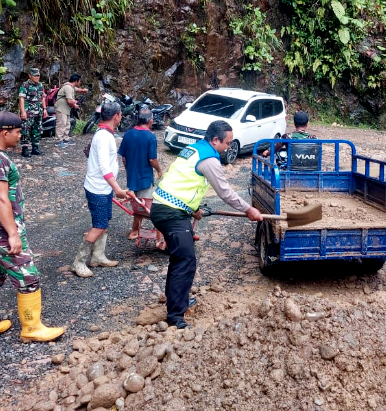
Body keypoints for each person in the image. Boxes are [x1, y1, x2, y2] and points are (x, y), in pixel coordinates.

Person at [151, 120, 264, 329]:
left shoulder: (193, 149)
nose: (229, 147)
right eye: (227, 143)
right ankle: (175, 316)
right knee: (185, 260)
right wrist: (249, 209)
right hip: (170, 212)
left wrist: (193, 209)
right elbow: (225, 192)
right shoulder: (209, 159)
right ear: (215, 140)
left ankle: (177, 302)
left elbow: (181, 181)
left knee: (181, 259)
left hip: (166, 207)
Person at [0, 111, 64, 342]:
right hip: (2, 231)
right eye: (17, 132)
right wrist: (13, 234)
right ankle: (31, 328)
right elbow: (0, 199)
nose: (20, 136)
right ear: (5, 133)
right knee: (28, 276)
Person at [72, 102, 130, 277]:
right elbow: (105, 167)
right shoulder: (104, 137)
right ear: (116, 116)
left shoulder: (103, 133)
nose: (121, 117)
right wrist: (118, 189)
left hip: (102, 188)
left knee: (104, 222)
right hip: (98, 188)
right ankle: (79, 262)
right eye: (120, 114)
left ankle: (98, 256)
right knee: (99, 225)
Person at [118, 105, 163, 240]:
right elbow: (152, 159)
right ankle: (135, 231)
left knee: (138, 204)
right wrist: (159, 170)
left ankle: (136, 229)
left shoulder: (128, 134)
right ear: (150, 120)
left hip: (132, 176)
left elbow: (124, 157)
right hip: (144, 177)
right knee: (144, 205)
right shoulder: (150, 137)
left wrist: (128, 171)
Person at [18, 67, 47, 157]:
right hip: (28, 112)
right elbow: (21, 98)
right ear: (30, 76)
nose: (37, 77)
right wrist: (23, 112)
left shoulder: (40, 85)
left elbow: (42, 97)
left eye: (38, 75)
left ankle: (35, 148)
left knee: (37, 130)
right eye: (35, 75)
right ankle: (25, 149)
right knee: (25, 130)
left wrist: (44, 109)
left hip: (38, 112)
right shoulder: (25, 85)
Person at [54, 74, 88, 149]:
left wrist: (83, 90)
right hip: (61, 108)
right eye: (80, 81)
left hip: (66, 109)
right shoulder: (68, 87)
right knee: (61, 124)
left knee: (67, 124)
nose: (80, 83)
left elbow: (77, 89)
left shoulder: (71, 87)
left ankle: (65, 138)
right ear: (76, 81)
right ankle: (58, 141)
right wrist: (75, 106)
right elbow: (69, 101)